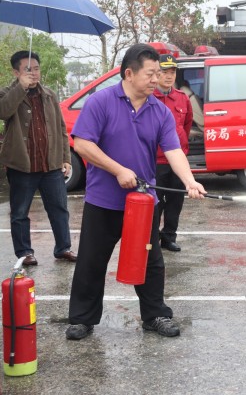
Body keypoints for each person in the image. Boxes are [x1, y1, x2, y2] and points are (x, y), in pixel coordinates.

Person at [65, 44, 207, 341]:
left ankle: (155, 315)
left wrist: (189, 181)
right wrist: (118, 170)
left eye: (159, 73)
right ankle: (81, 319)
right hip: (103, 201)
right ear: (129, 73)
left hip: (143, 204)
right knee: (92, 259)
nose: (157, 79)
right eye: (151, 73)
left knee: (150, 260)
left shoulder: (159, 110)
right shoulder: (101, 102)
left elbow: (173, 151)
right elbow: (82, 144)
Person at [0, 50, 77, 266]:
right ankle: (24, 252)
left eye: (36, 69)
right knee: (20, 212)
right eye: (27, 69)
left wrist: (66, 158)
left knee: (59, 209)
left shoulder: (50, 95)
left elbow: (61, 128)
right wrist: (21, 87)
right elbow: (3, 111)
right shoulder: (7, 93)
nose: (33, 73)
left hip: (50, 164)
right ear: (16, 72)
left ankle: (63, 248)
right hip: (22, 165)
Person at [154, 54, 193, 252]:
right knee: (156, 201)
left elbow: (186, 126)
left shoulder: (181, 97)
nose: (169, 76)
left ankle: (169, 236)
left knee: (175, 202)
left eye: (172, 72)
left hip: (178, 160)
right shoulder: (149, 98)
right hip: (156, 160)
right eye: (164, 72)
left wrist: (180, 148)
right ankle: (151, 238)